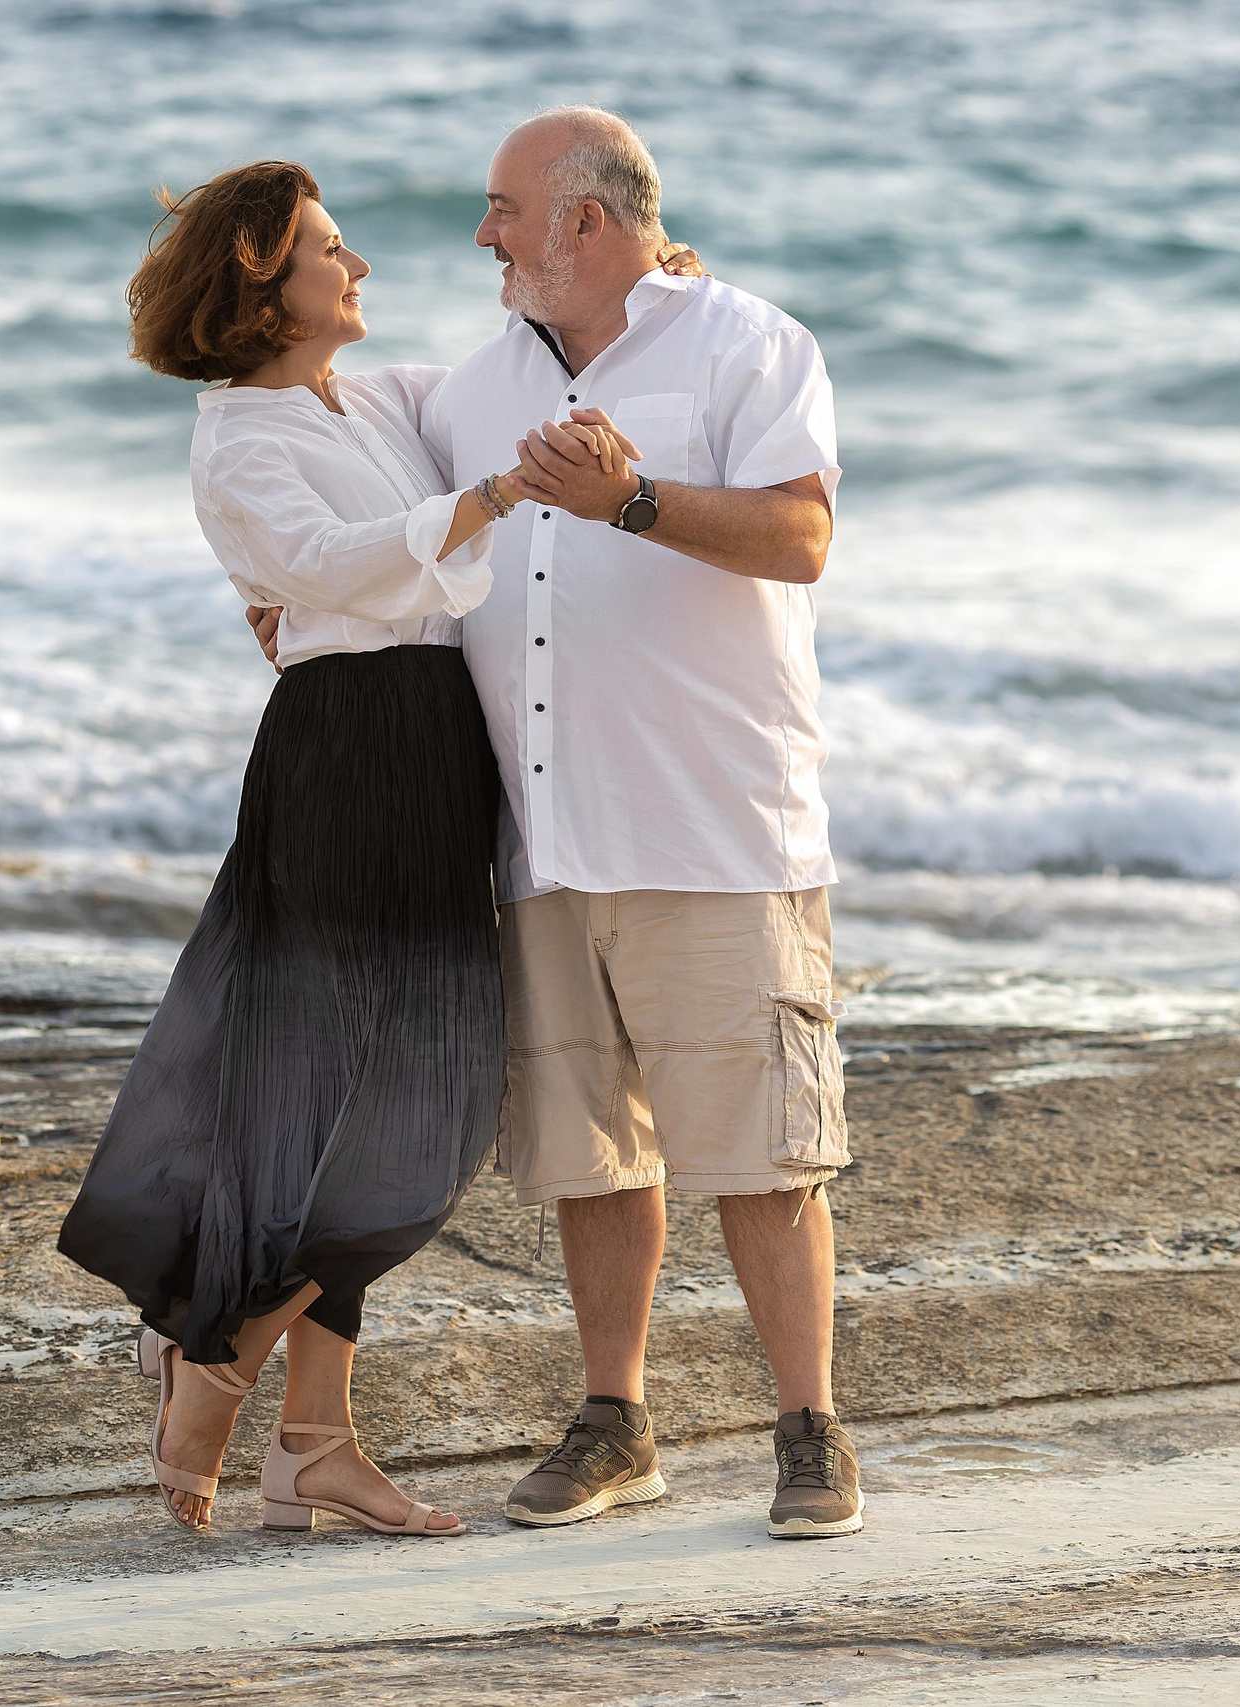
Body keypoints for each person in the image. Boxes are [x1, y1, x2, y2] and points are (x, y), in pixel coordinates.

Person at [251, 107, 864, 1540]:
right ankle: (615, 1420)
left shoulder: (748, 343)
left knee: (766, 1152)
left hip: (716, 828)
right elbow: (321, 446)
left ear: (586, 220)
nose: (484, 235)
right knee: (592, 1158)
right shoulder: (466, 389)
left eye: (505, 209)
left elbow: (803, 538)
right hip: (540, 834)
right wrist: (279, 587)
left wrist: (631, 500)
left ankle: (809, 1425)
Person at [54, 161, 649, 1538]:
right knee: (382, 1102)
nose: (359, 265)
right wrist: (491, 496)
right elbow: (329, 564)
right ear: (263, 286)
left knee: (391, 1099)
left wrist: (646, 274)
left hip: (433, 746)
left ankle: (311, 1436)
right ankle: (220, 1361)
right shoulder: (237, 436)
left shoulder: (370, 398)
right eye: (330, 249)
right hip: (346, 755)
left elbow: (511, 370)